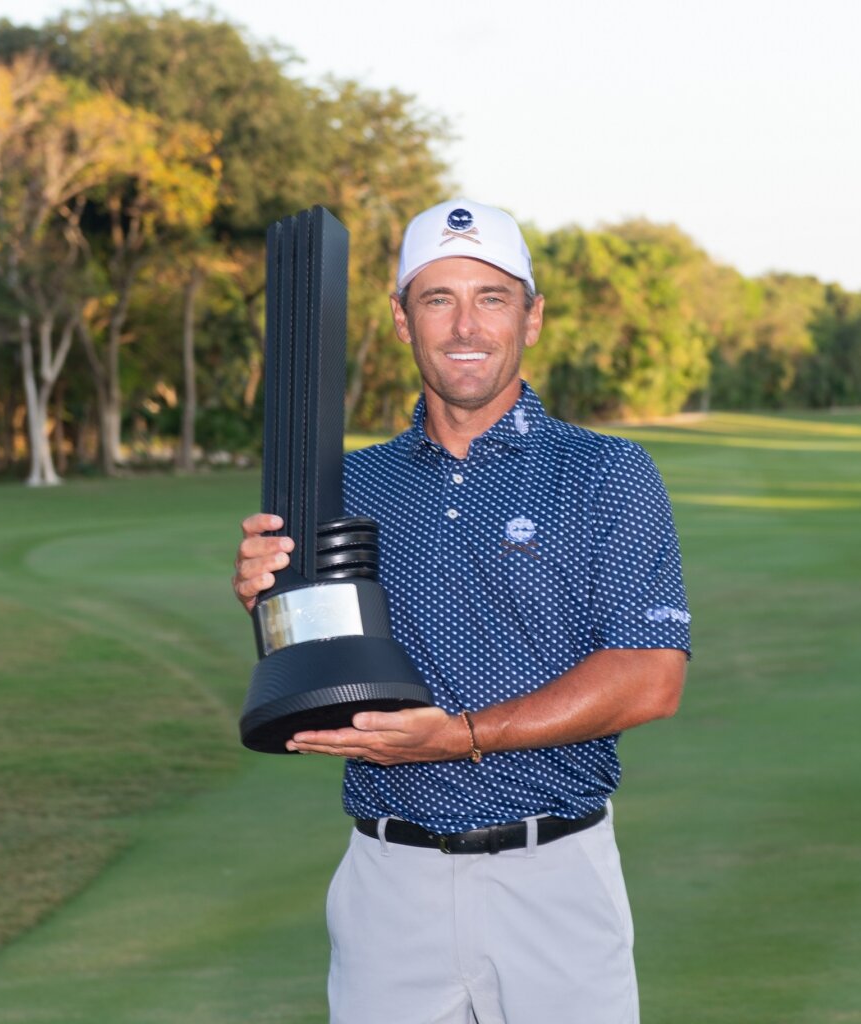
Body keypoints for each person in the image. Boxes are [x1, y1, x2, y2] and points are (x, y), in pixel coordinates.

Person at [231, 198, 690, 1024]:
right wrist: (270, 604)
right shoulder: (345, 486)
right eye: (437, 299)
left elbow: (650, 679)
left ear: (532, 317)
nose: (464, 325)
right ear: (403, 320)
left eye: (491, 297)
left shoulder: (605, 473)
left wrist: (462, 736)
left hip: (553, 875)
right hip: (388, 884)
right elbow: (318, 663)